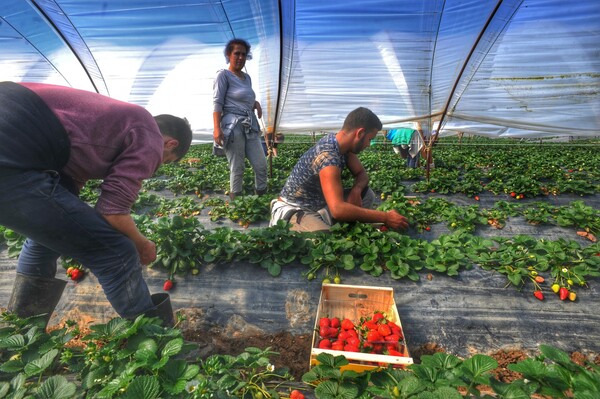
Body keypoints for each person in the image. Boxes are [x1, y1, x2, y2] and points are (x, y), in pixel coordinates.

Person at [0, 81, 193, 327]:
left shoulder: (112, 122)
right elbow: (111, 211)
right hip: (10, 153)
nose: (157, 165)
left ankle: (24, 342)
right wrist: (142, 244)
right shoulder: (149, 133)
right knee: (116, 252)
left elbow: (68, 183)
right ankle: (157, 345)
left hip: (15, 130)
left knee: (44, 241)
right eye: (165, 161)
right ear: (170, 144)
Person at [270, 107, 409, 232]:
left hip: (320, 204)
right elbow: (337, 210)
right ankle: (326, 227)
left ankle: (340, 224)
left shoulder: (341, 145)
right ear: (360, 133)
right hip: (295, 210)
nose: (369, 144)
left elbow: (362, 174)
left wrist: (356, 190)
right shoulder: (328, 157)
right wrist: (385, 217)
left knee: (367, 194)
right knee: (324, 239)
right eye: (369, 139)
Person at [213, 38, 268, 199]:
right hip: (233, 126)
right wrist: (217, 129)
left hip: (250, 125)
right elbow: (217, 102)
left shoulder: (247, 78)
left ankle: (262, 199)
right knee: (237, 167)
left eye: (244, 54)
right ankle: (236, 202)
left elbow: (244, 99)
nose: (240, 57)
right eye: (236, 53)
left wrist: (255, 103)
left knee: (261, 165)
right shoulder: (223, 75)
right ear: (229, 55)